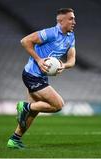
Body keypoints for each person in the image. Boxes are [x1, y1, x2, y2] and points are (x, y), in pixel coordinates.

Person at [7, 8, 76, 149]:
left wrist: (65, 65)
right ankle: (25, 106)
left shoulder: (70, 36)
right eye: (71, 18)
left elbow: (72, 59)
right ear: (61, 21)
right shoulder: (50, 33)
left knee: (32, 113)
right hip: (32, 75)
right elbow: (25, 41)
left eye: (74, 18)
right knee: (58, 105)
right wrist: (38, 60)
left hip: (41, 77)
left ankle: (14, 139)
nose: (74, 21)